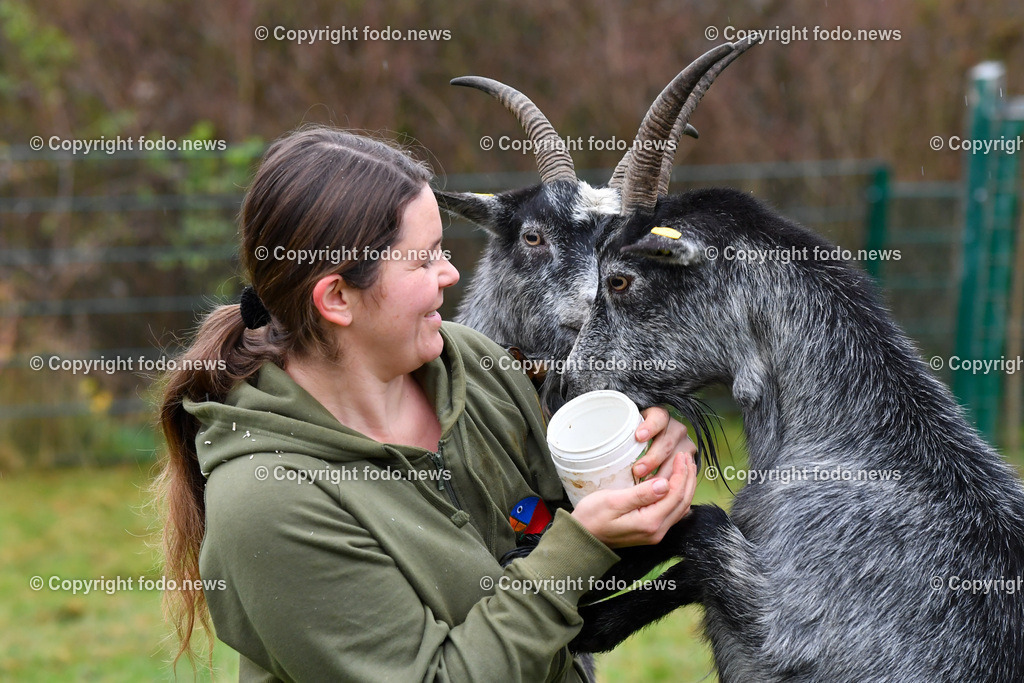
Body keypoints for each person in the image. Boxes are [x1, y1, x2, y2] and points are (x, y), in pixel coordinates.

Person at [156, 126, 699, 682]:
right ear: (338, 297)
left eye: (443, 249)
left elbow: (562, 527)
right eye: (423, 261)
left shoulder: (476, 369)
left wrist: (638, 474)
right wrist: (580, 548)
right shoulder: (270, 503)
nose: (452, 273)